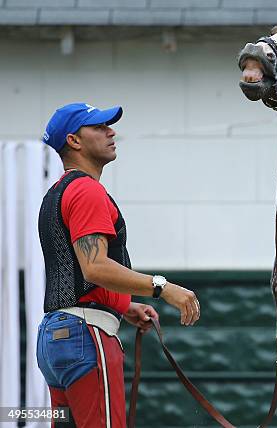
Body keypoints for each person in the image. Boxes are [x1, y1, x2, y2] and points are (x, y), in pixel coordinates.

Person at [37, 103, 201, 427]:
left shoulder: (55, 192)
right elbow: (94, 267)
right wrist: (162, 288)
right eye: (99, 127)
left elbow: (72, 272)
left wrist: (124, 307)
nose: (111, 132)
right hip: (87, 337)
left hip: (54, 337)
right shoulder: (87, 191)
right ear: (74, 140)